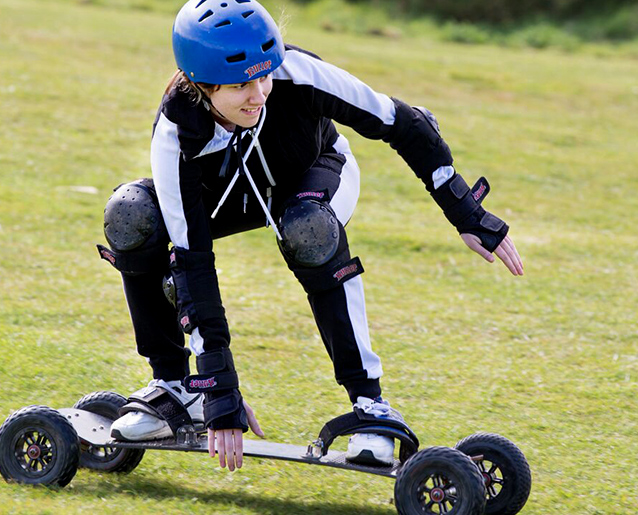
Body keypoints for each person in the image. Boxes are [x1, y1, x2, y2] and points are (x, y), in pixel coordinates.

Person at [96, 0, 524, 472]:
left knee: (309, 229)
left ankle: (371, 407)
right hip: (226, 195)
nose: (259, 93)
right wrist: (217, 389)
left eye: (263, 76)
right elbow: (192, 263)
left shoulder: (298, 74)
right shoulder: (177, 131)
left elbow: (403, 122)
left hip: (312, 174)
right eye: (240, 85)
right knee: (131, 216)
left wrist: (466, 212)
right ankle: (177, 391)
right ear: (201, 84)